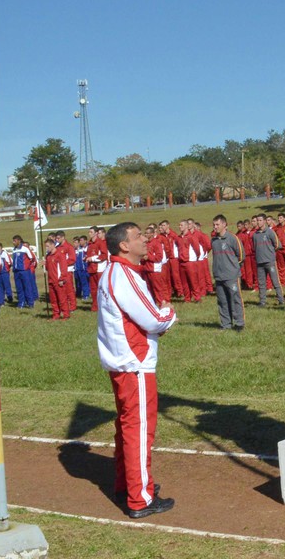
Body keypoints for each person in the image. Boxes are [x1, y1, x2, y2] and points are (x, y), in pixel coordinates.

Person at [96, 221, 177, 518]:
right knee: (139, 429)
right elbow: (153, 318)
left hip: (123, 362)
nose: (145, 239)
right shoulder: (124, 274)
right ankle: (139, 497)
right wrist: (169, 314)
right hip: (135, 363)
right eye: (138, 236)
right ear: (124, 245)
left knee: (127, 426)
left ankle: (129, 484)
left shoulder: (113, 273)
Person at [209, 215, 245, 330]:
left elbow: (241, 256)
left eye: (217, 224)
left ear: (224, 224)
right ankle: (226, 324)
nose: (215, 227)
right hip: (219, 277)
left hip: (231, 276)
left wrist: (233, 268)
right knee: (222, 301)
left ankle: (239, 323)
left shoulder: (233, 238)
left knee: (235, 299)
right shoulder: (214, 241)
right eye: (214, 225)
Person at [251, 214, 285, 307]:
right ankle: (262, 302)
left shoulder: (270, 232)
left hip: (270, 261)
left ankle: (281, 300)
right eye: (257, 220)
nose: (258, 222)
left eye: (260, 220)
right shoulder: (255, 235)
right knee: (261, 283)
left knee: (275, 282)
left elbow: (278, 245)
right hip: (259, 263)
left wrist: (270, 252)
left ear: (265, 221)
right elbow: (254, 247)